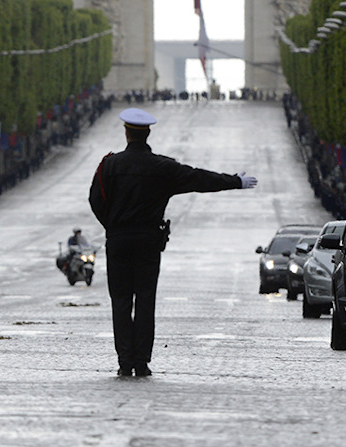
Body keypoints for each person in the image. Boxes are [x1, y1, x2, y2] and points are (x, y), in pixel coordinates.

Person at [88, 108, 257, 377]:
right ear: (148, 133)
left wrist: (113, 226)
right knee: (145, 300)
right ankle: (141, 361)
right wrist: (235, 181)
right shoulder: (162, 167)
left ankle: (124, 361)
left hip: (118, 240)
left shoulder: (109, 165)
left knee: (120, 301)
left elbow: (95, 200)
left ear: (126, 132)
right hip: (148, 241)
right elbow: (199, 178)